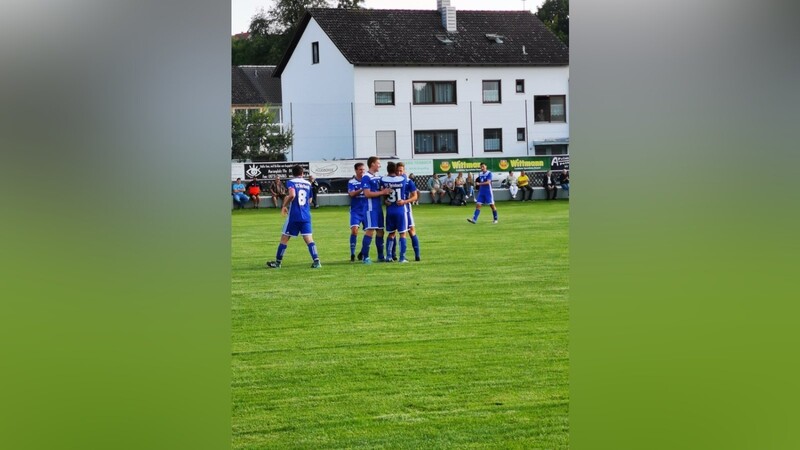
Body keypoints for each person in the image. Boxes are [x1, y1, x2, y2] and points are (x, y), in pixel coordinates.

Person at [265, 165, 321, 269]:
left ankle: (278, 262)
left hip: (294, 216)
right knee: (309, 239)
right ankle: (317, 261)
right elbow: (309, 200)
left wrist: (284, 205)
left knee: (284, 238)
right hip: (306, 216)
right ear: (302, 173)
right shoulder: (308, 183)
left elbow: (292, 195)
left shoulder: (291, 182)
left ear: (293, 173)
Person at [358, 156, 392, 264]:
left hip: (378, 208)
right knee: (370, 230)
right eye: (378, 163)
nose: (380, 165)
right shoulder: (366, 177)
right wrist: (382, 193)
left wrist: (386, 197)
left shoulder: (378, 177)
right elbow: (367, 194)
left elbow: (383, 190)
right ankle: (365, 257)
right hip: (370, 208)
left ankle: (381, 256)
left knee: (381, 231)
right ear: (372, 164)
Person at [381, 161, 411, 263]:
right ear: (395, 170)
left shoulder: (383, 179)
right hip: (400, 209)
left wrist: (385, 200)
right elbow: (404, 176)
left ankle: (389, 256)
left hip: (390, 210)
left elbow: (382, 189)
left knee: (391, 234)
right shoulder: (402, 179)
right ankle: (402, 257)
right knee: (402, 234)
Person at [396, 162, 421, 261]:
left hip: (406, 209)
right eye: (397, 170)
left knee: (411, 231)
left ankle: (417, 255)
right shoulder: (393, 181)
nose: (399, 172)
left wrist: (405, 201)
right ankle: (394, 255)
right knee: (395, 232)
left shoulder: (408, 181)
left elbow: (415, 196)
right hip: (396, 210)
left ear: (404, 171)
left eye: (401, 170)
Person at [347, 162, 368, 262]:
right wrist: (361, 189)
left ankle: (363, 252)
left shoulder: (367, 180)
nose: (362, 171)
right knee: (354, 230)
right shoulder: (352, 182)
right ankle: (352, 254)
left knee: (369, 232)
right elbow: (351, 194)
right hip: (356, 211)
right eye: (360, 169)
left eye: (363, 169)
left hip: (366, 210)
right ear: (356, 170)